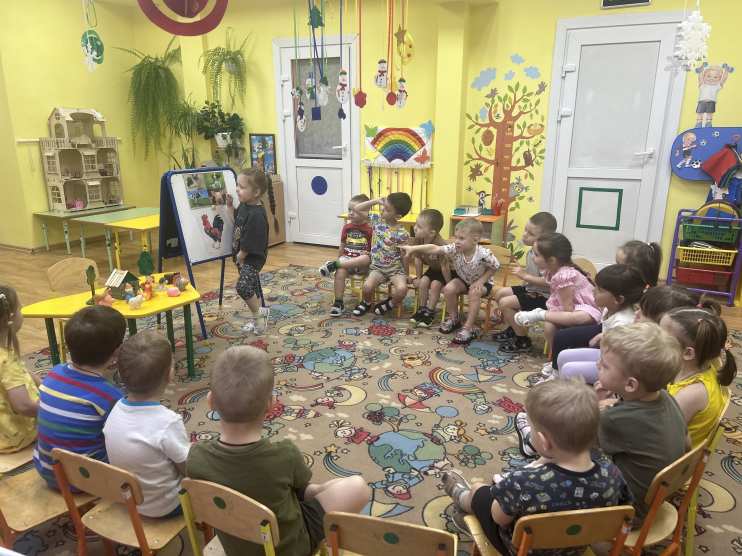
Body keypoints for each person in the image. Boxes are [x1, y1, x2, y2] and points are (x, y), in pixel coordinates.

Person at [187, 346, 370, 556]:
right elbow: (301, 488)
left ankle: (315, 491)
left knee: (304, 490)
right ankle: (319, 492)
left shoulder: (196, 457)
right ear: (271, 405)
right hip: (291, 547)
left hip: (235, 546)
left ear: (210, 401)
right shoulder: (285, 455)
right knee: (357, 487)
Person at [442, 378, 631, 556]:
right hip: (575, 549)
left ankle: (462, 499)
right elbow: (622, 511)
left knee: (480, 491)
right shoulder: (613, 473)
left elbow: (499, 518)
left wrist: (522, 475)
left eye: (531, 429)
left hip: (521, 549)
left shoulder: (524, 481)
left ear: (544, 442)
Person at [596, 322, 688, 519]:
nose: (597, 366)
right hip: (658, 496)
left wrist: (597, 404)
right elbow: (687, 443)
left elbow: (577, 446)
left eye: (604, 365)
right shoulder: (667, 397)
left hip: (626, 511)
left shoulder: (613, 420)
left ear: (630, 385)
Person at [34, 305, 126, 488]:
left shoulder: (54, 373)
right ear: (117, 351)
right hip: (87, 481)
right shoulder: (109, 395)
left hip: (47, 470)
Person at [103, 331, 190, 518]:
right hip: (167, 506)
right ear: (170, 374)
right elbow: (187, 469)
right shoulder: (168, 422)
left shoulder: (114, 409)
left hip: (129, 500)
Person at [400, 218, 500, 344]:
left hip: (483, 283)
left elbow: (495, 266)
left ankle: (468, 328)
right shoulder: (455, 248)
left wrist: (481, 281)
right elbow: (435, 249)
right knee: (448, 289)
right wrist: (413, 248)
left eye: (461, 238)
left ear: (475, 240)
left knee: (474, 292)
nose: (457, 241)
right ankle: (454, 319)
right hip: (464, 280)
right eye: (456, 237)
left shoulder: (483, 254)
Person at [542, 264, 647, 382]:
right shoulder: (608, 308)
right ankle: (556, 379)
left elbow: (618, 358)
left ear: (618, 299)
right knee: (562, 356)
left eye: (599, 290)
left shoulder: (622, 322)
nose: (593, 290)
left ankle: (565, 389)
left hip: (616, 367)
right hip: (604, 354)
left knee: (569, 370)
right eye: (595, 286)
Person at [512, 233, 601, 353]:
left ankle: (539, 314)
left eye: (536, 255)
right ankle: (556, 357)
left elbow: (568, 309)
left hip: (588, 311)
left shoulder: (563, 275)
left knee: (575, 317)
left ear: (552, 260)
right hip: (571, 308)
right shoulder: (553, 271)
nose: (533, 257)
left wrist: (555, 317)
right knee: (549, 326)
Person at [660, 308, 735, 448]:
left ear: (688, 353)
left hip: (672, 453)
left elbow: (662, 437)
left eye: (661, 337)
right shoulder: (709, 363)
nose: (654, 339)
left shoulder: (689, 395)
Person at [493, 212, 557, 352]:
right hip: (532, 289)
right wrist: (524, 283)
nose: (525, 235)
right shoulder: (532, 252)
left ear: (545, 238)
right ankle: (513, 328)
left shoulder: (546, 257)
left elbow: (550, 282)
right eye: (525, 230)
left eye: (531, 233)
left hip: (546, 297)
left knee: (505, 303)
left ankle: (522, 340)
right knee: (500, 293)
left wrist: (524, 276)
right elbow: (530, 277)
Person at [350, 193, 412, 316]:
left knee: (402, 289)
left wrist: (406, 274)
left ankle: (390, 304)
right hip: (377, 268)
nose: (382, 209)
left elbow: (405, 255)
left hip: (395, 270)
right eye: (383, 206)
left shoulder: (403, 233)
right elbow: (357, 208)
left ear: (398, 216)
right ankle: (367, 302)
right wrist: (376, 201)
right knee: (367, 287)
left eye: (387, 209)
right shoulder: (377, 220)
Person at [231, 168, 276, 334]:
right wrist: (229, 206)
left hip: (251, 258)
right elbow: (236, 221)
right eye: (237, 185)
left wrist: (241, 255)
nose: (237, 189)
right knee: (252, 288)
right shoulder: (244, 206)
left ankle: (259, 317)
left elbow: (252, 238)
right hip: (241, 257)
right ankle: (258, 316)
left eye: (242, 187)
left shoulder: (257, 214)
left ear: (256, 192)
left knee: (243, 287)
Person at [0, 285, 40, 454]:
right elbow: (23, 406)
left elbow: (21, 372)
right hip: (17, 436)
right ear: (10, 318)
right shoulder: (6, 361)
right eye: (20, 309)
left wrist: (41, 382)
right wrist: (51, 410)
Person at [318, 194, 372, 317]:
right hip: (347, 260)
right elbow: (342, 245)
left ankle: (334, 265)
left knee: (365, 259)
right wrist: (339, 258)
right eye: (349, 210)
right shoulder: (347, 227)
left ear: (365, 212)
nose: (351, 213)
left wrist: (368, 253)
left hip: (362, 264)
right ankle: (338, 302)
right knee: (340, 272)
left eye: (355, 211)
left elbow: (373, 249)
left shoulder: (370, 229)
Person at [408, 209, 451, 328]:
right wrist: (418, 277)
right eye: (416, 224)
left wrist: (449, 284)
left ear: (432, 233)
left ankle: (430, 312)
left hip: (446, 271)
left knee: (435, 285)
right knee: (423, 282)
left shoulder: (440, 245)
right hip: (433, 269)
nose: (415, 228)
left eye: (419, 227)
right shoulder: (418, 239)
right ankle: (422, 309)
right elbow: (418, 259)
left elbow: (445, 266)